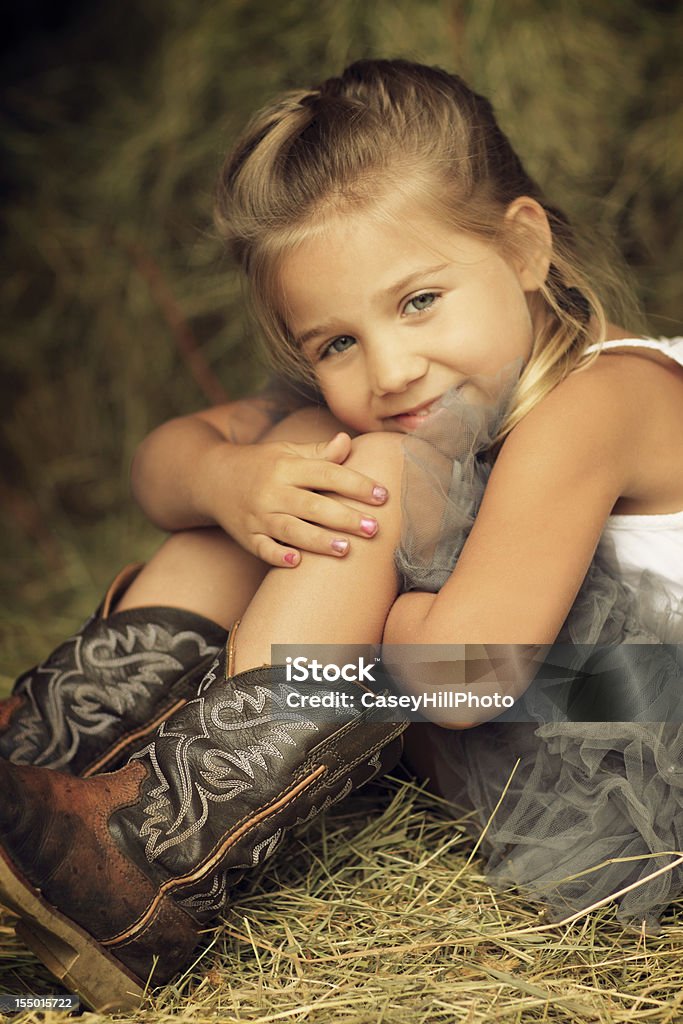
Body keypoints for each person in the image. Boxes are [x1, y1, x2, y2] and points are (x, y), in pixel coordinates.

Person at [0, 58, 681, 1011]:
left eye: (417, 301)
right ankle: (46, 772)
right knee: (283, 475)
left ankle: (156, 853)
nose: (391, 368)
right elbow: (163, 468)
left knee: (358, 482)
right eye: (334, 343)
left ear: (525, 249)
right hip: (474, 695)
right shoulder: (418, 403)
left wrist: (366, 612)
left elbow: (469, 673)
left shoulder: (602, 398)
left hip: (625, 727)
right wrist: (228, 482)